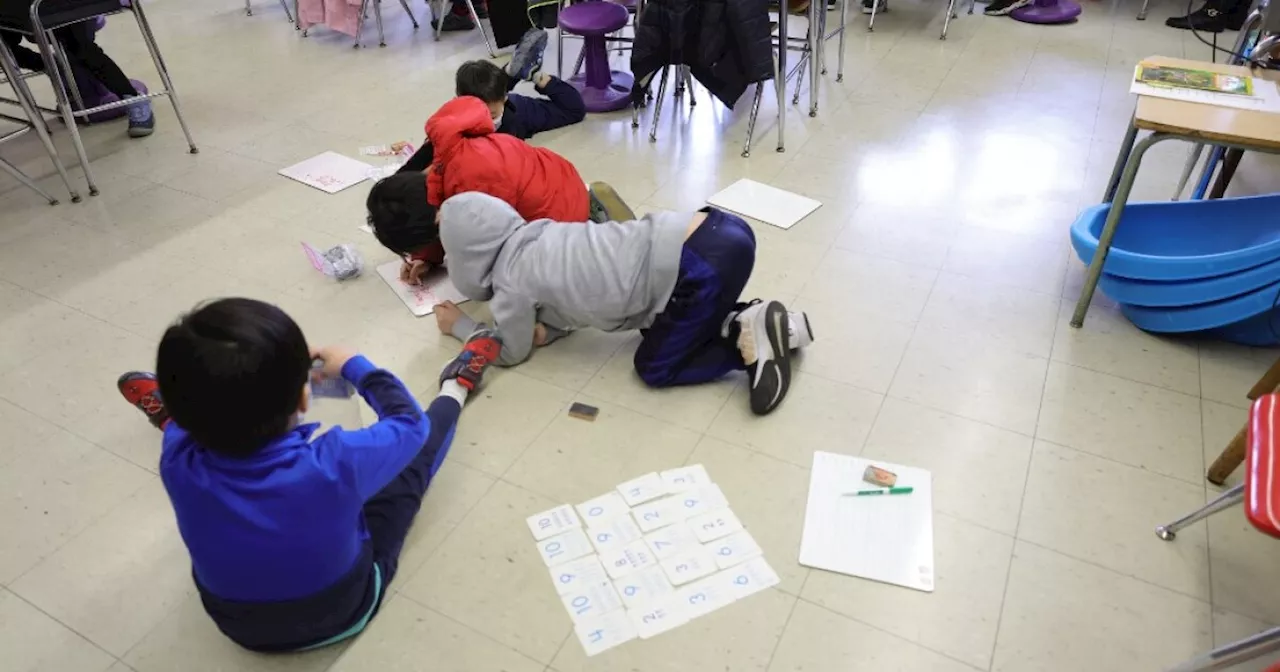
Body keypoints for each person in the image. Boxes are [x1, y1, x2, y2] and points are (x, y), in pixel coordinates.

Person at [115, 297, 502, 651]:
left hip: (236, 626)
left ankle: (166, 408)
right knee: (408, 476)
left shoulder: (175, 457)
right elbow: (411, 425)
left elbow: (202, 421)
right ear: (303, 398)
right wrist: (354, 365)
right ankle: (458, 384)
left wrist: (190, 401)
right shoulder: (335, 462)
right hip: (343, 613)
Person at [431, 192, 816, 416]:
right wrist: (551, 329)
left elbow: (510, 350)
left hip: (696, 270)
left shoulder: (509, 283)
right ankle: (753, 321)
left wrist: (461, 326)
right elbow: (578, 287)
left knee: (654, 365)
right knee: (659, 321)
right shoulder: (541, 232)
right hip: (716, 230)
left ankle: (749, 352)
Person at [0, 12, 154, 137]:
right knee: (3, 48)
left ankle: (133, 97)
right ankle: (48, 65)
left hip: (69, 6)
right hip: (19, 10)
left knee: (79, 46)